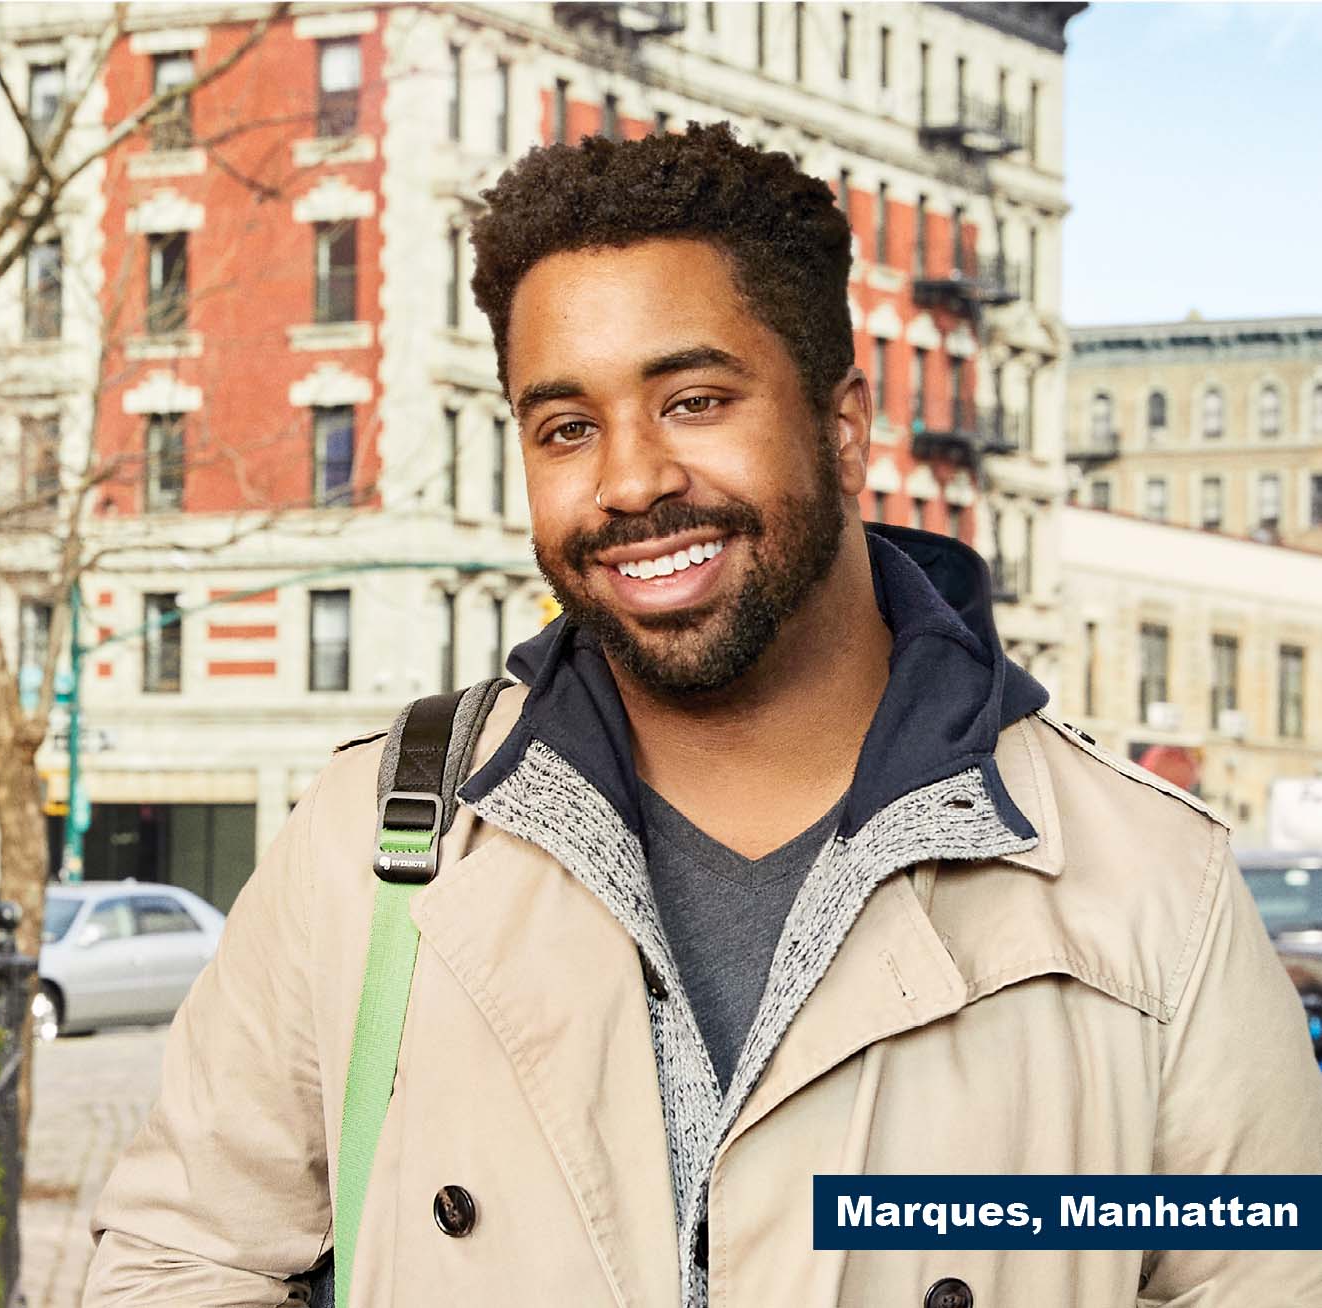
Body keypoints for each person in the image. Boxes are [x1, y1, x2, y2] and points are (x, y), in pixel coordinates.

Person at [83, 124, 1322, 1306]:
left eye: (694, 402)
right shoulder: (374, 843)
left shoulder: (1153, 890)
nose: (628, 481)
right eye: (567, 427)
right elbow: (178, 1262)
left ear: (841, 430)